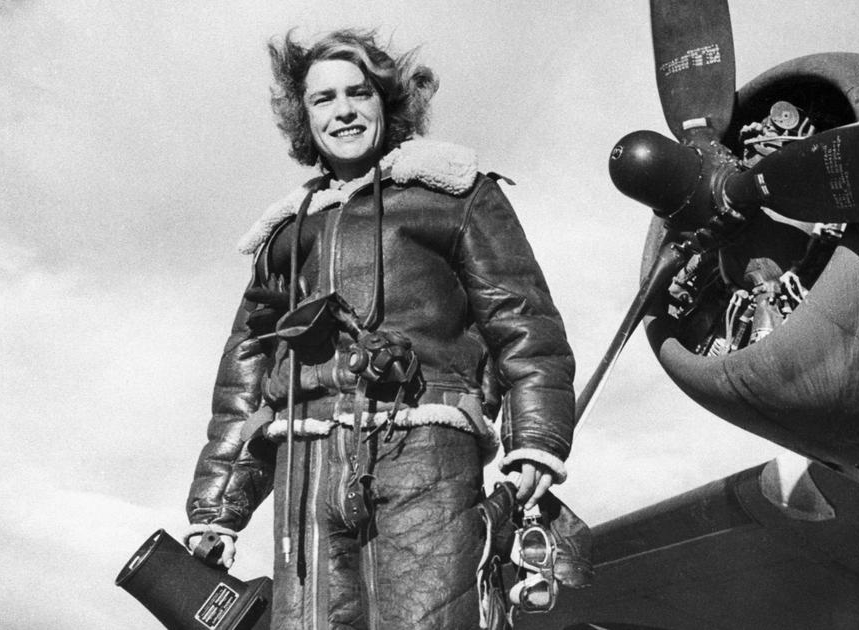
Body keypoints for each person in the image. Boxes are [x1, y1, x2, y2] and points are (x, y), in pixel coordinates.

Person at [184, 28, 576, 630]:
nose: (343, 110)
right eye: (323, 99)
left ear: (385, 102)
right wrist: (217, 507)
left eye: (358, 92)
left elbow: (521, 320)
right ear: (304, 118)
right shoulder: (285, 235)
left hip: (424, 452)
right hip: (306, 472)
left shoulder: (453, 195)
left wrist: (538, 439)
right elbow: (247, 371)